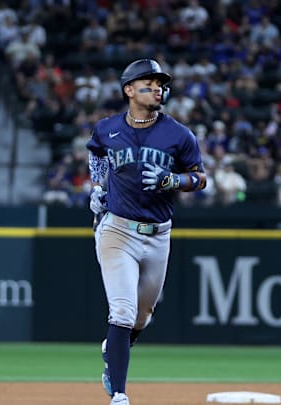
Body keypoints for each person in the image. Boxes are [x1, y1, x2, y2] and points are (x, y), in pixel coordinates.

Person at [86, 59, 207, 405]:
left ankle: (117, 345)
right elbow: (96, 154)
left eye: (160, 84)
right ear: (128, 90)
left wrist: (174, 180)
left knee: (142, 315)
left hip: (158, 234)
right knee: (122, 311)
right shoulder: (107, 129)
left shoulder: (179, 135)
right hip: (117, 230)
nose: (157, 89)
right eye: (149, 83)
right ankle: (120, 395)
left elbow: (200, 178)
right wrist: (97, 186)